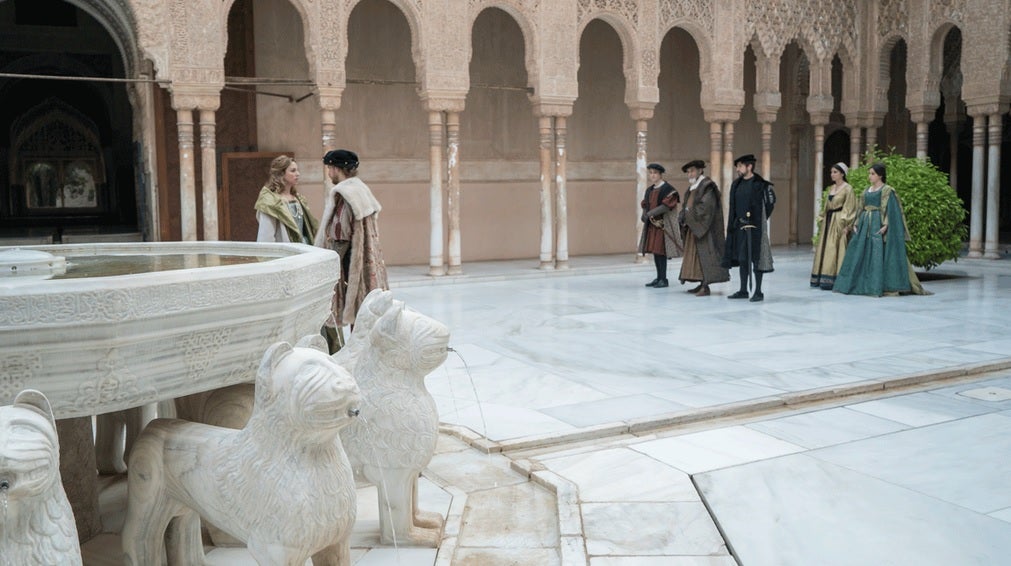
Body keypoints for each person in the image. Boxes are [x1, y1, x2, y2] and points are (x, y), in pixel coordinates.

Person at [314, 149, 389, 351]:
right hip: (368, 258)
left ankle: (359, 358)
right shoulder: (362, 189)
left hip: (351, 261)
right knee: (366, 310)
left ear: (337, 168)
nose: (329, 173)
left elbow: (341, 231)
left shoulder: (345, 193)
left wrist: (326, 258)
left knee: (358, 311)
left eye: (330, 168)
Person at [833, 162, 927, 296]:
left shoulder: (888, 190)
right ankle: (860, 284)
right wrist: (856, 223)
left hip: (878, 223)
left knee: (877, 253)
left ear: (880, 175)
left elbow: (891, 210)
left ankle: (877, 285)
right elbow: (860, 207)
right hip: (865, 224)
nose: (870, 176)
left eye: (872, 174)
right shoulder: (866, 190)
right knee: (861, 252)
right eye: (869, 174)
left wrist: (886, 225)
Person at [721, 154, 775, 302]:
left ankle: (758, 291)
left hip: (755, 228)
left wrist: (758, 220)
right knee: (742, 258)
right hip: (739, 227)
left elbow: (770, 203)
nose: (737, 169)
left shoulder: (760, 184)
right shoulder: (736, 184)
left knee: (756, 259)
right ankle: (743, 290)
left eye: (740, 166)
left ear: (749, 166)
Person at [677, 159, 729, 296]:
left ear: (700, 170)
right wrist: (682, 215)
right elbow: (686, 205)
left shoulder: (707, 187)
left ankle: (705, 286)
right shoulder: (692, 188)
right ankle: (700, 283)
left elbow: (705, 208)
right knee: (696, 257)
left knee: (705, 257)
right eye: (688, 172)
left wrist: (689, 215)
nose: (689, 174)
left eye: (692, 171)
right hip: (693, 228)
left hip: (704, 230)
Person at [810, 163, 859, 290]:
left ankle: (835, 278)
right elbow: (826, 206)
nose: (832, 174)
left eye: (835, 172)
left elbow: (850, 207)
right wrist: (822, 217)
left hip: (838, 221)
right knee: (826, 248)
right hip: (828, 220)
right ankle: (822, 277)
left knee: (835, 248)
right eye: (831, 172)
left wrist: (846, 224)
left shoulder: (848, 189)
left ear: (842, 173)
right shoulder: (832, 188)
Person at [254, 155, 319, 244]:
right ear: (281, 173)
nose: (298, 174)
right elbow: (265, 237)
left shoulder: (298, 199)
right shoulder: (271, 202)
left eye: (297, 170)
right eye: (293, 171)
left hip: (304, 249)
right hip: (286, 252)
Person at [638, 162, 682, 288]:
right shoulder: (650, 190)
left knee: (661, 252)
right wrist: (645, 214)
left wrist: (650, 213)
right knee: (656, 252)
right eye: (651, 173)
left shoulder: (668, 189)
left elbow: (666, 206)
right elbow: (645, 203)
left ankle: (664, 279)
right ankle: (659, 277)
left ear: (660, 174)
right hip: (653, 226)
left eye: (655, 173)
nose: (652, 175)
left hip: (663, 225)